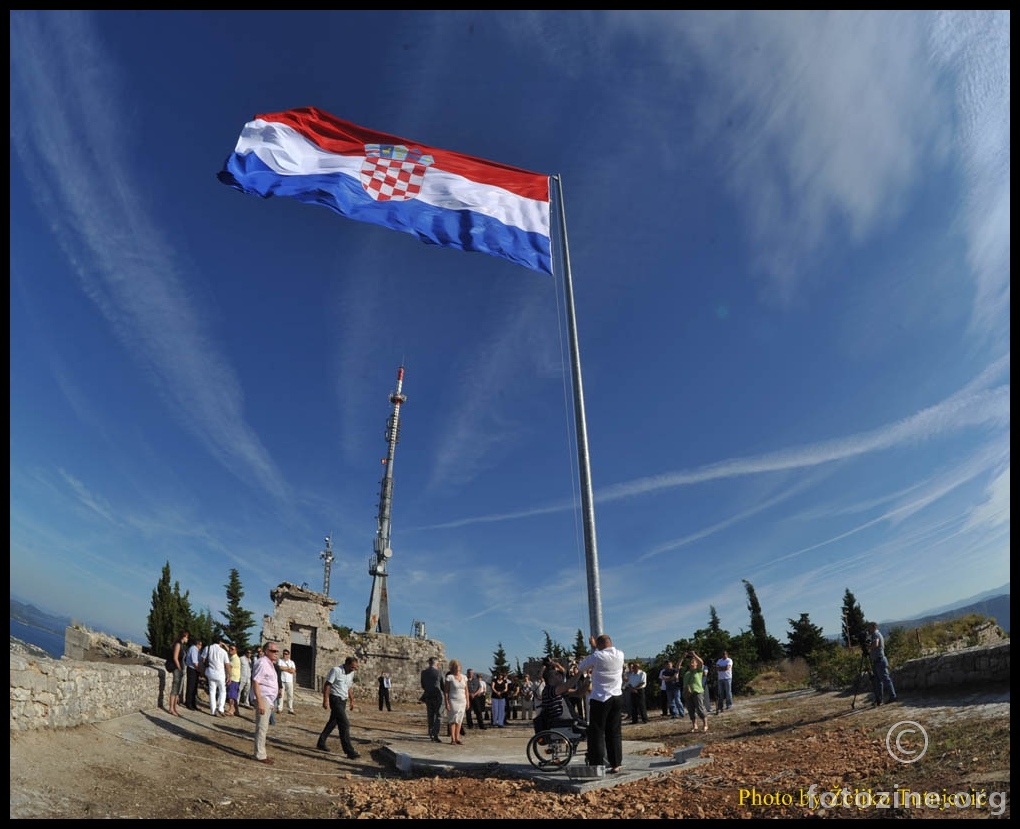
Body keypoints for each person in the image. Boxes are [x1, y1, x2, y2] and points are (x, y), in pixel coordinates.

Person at [576, 633, 625, 774]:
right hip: (617, 695)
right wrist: (595, 646)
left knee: (597, 732)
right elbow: (604, 654)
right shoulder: (620, 654)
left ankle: (597, 764)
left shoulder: (597, 656)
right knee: (614, 732)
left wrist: (594, 648)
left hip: (601, 697)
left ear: (599, 645)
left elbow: (581, 667)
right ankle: (616, 763)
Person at [317, 655, 361, 759]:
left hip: (343, 700)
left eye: (355, 668)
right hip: (335, 699)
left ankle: (321, 742)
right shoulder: (336, 670)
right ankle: (349, 751)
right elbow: (327, 685)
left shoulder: (351, 674)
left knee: (333, 722)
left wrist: (352, 700)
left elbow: (348, 687)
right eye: (352, 667)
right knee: (344, 724)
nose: (354, 670)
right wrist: (325, 700)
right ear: (346, 664)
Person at [251, 641, 280, 763]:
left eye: (276, 651)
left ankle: (261, 752)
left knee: (264, 726)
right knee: (262, 727)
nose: (276, 653)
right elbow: (256, 681)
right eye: (273, 651)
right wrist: (260, 701)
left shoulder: (270, 664)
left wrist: (271, 702)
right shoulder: (262, 663)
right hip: (262, 697)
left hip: (267, 698)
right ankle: (260, 754)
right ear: (266, 651)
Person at [869, 622, 898, 706]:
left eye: (869, 627)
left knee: (885, 679)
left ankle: (892, 696)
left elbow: (876, 644)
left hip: (879, 660)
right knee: (878, 681)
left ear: (873, 627)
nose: (869, 630)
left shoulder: (876, 634)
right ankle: (879, 699)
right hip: (877, 660)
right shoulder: (876, 634)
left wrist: (869, 647)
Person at [420, 657, 445, 743]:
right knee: (439, 715)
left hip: (428, 695)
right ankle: (435, 734)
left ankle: (430, 733)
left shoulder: (424, 673)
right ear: (437, 664)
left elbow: (423, 685)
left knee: (430, 715)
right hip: (438, 696)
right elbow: (443, 685)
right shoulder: (439, 672)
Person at [683, 651, 709, 733]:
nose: (691, 663)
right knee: (691, 709)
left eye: (693, 662)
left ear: (696, 664)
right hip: (688, 693)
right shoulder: (687, 673)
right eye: (690, 662)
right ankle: (695, 725)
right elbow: (685, 683)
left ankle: (705, 724)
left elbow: (701, 662)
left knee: (700, 708)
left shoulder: (698, 671)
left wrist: (694, 655)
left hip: (697, 691)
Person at [444, 659, 468, 745]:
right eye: (456, 666)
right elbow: (446, 691)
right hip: (453, 700)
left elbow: (466, 690)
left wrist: (468, 701)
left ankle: (458, 738)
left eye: (459, 666)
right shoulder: (449, 677)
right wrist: (446, 702)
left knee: (459, 720)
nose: (458, 667)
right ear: (453, 667)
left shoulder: (464, 677)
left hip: (462, 700)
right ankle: (453, 738)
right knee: (452, 719)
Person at [205, 636, 230, 718]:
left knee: (212, 692)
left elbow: (203, 659)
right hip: (220, 674)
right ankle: (221, 708)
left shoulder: (208, 648)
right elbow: (227, 665)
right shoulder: (223, 652)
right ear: (220, 642)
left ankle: (213, 710)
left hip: (210, 672)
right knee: (222, 691)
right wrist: (229, 675)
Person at [167, 631, 189, 716]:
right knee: (175, 688)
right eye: (187, 637)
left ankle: (174, 708)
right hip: (177, 669)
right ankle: (171, 708)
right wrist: (179, 668)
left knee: (178, 689)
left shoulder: (182, 646)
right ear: (183, 637)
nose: (187, 639)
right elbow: (175, 658)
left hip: (181, 669)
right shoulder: (178, 645)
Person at [184, 637, 203, 711]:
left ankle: (193, 703)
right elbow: (195, 662)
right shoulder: (194, 649)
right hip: (192, 669)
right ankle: (188, 703)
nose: (201, 647)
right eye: (200, 645)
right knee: (191, 687)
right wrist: (200, 671)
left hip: (194, 670)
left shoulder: (196, 650)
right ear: (197, 644)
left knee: (194, 688)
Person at [277, 649, 296, 714]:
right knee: (281, 695)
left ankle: (290, 709)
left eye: (286, 654)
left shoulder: (292, 662)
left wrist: (284, 668)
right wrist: (288, 668)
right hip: (282, 679)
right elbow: (280, 668)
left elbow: (293, 671)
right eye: (284, 654)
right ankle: (279, 708)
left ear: (289, 655)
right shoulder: (280, 660)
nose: (285, 655)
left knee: (290, 695)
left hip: (289, 680)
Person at [225, 643, 242, 716]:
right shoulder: (232, 657)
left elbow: (229, 666)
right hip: (235, 679)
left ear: (236, 650)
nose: (230, 650)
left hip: (233, 679)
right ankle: (236, 711)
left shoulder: (235, 659)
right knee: (233, 696)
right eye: (230, 648)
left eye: (232, 649)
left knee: (231, 695)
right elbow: (228, 650)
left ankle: (231, 709)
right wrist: (224, 645)